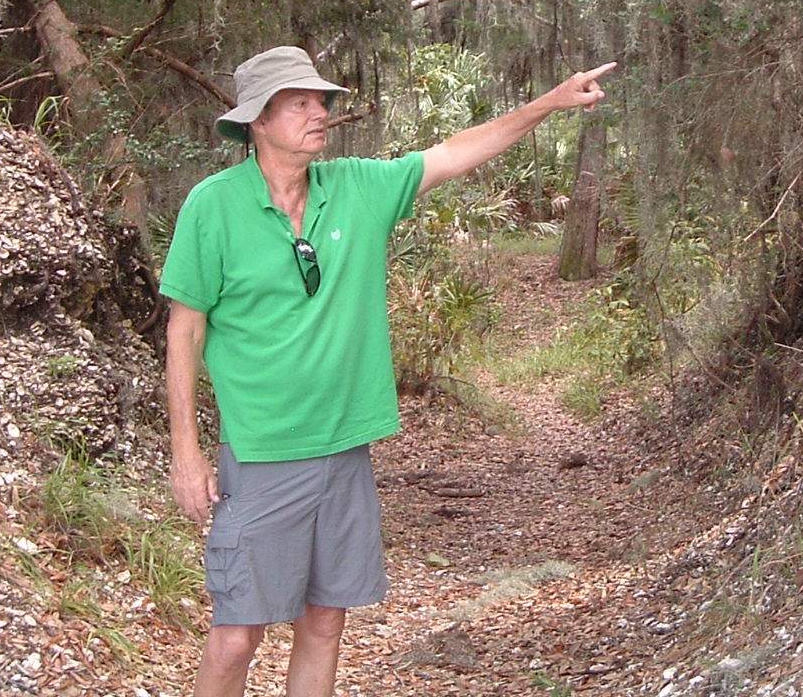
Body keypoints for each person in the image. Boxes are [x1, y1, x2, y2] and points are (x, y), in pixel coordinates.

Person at [162, 45, 616, 697]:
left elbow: (458, 151)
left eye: (322, 101)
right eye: (301, 103)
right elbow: (185, 329)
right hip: (261, 457)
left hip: (345, 452)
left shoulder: (358, 189)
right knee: (238, 635)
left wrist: (548, 102)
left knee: (324, 624)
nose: (319, 112)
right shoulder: (214, 207)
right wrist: (186, 451)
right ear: (257, 120)